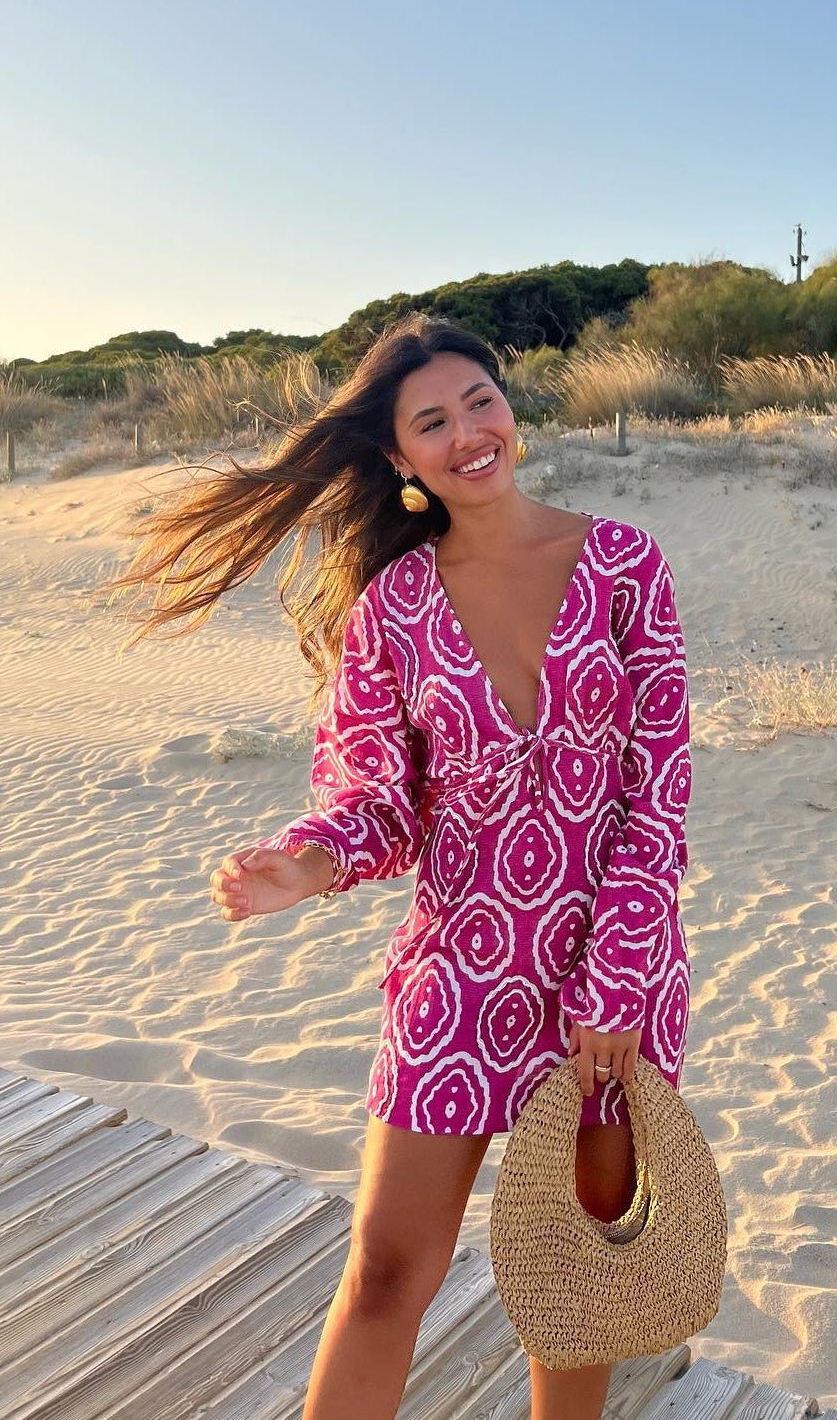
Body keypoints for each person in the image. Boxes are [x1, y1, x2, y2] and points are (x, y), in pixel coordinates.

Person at [107, 314, 693, 1420]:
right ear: (397, 456)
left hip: (607, 988)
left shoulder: (622, 564)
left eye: (480, 401)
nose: (467, 432)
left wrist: (613, 977)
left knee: (573, 1283)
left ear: (508, 406)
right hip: (458, 978)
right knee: (383, 1272)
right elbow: (376, 799)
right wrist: (310, 863)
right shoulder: (394, 607)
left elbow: (654, 794)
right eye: (432, 421)